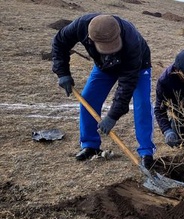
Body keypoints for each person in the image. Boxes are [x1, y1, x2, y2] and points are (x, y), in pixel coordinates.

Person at [52, 13, 156, 169]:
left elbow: (126, 84)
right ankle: (90, 145)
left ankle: (146, 153)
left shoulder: (131, 40)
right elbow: (60, 42)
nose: (111, 50)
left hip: (137, 68)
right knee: (88, 99)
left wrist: (113, 116)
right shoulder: (81, 26)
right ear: (91, 38)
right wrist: (63, 73)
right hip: (104, 66)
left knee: (142, 106)